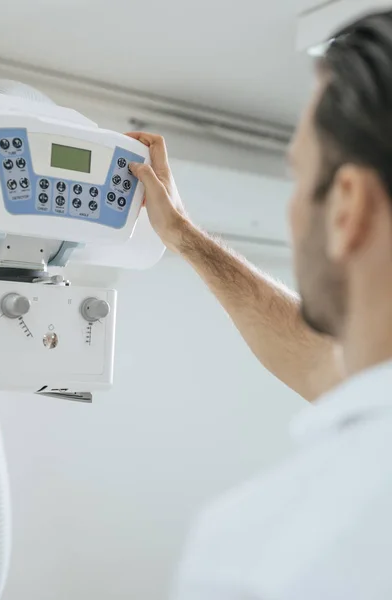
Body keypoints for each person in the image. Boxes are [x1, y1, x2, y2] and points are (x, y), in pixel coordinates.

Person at [130, 8, 392, 599]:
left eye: (298, 177)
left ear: (347, 206)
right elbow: (319, 360)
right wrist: (184, 238)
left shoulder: (258, 555)